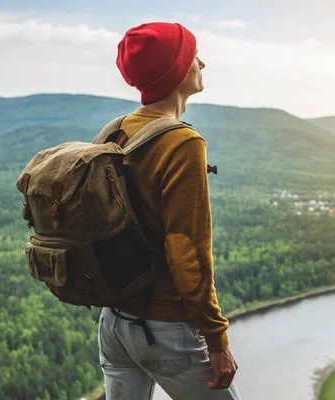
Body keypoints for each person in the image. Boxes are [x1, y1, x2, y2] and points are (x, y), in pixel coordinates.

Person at [97, 21, 240, 399]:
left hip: (114, 323)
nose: (202, 64)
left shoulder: (117, 130)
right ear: (177, 72)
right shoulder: (182, 143)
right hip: (163, 328)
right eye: (194, 57)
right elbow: (187, 252)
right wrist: (217, 339)